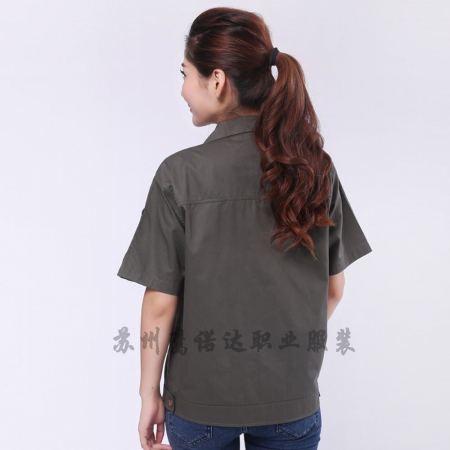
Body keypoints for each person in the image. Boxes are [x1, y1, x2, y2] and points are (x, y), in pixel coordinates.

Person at [117, 7, 372, 450]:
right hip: (291, 400)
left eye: (185, 74)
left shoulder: (179, 175)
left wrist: (148, 394)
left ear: (216, 80)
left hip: (199, 404)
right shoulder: (315, 169)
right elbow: (333, 289)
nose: (183, 89)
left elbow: (159, 303)